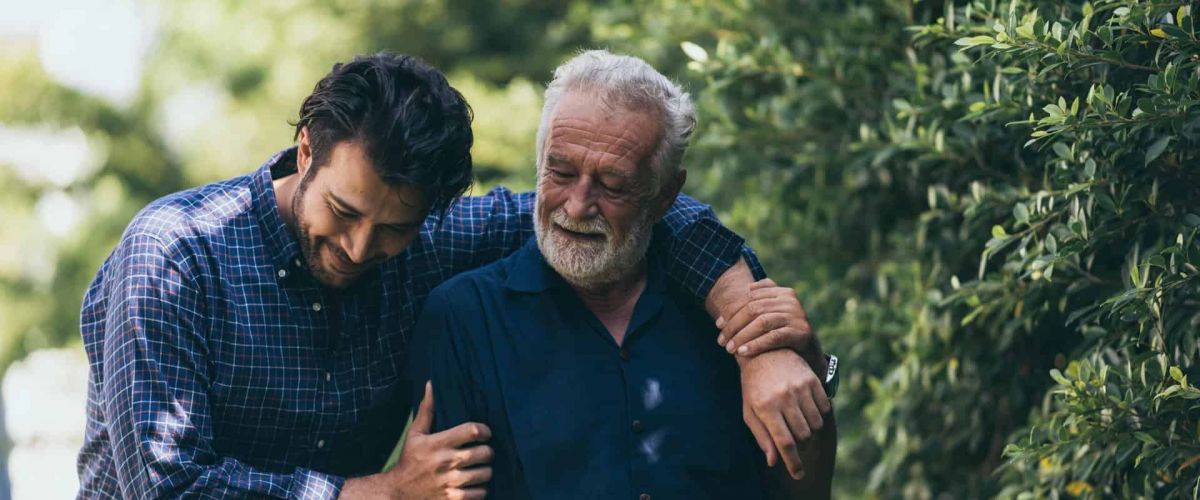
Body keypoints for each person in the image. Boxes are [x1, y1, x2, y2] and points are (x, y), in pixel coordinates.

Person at [76, 52, 826, 499]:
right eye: (343, 210)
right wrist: (375, 493)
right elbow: (168, 487)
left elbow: (636, 215)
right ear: (306, 150)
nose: (361, 247)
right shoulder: (175, 256)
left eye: (395, 227)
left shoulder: (433, 239)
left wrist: (755, 332)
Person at [408, 50, 836, 499]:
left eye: (613, 185)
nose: (576, 206)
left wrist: (804, 362)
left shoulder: (731, 306)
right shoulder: (462, 318)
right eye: (561, 171)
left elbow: (803, 492)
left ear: (666, 194)